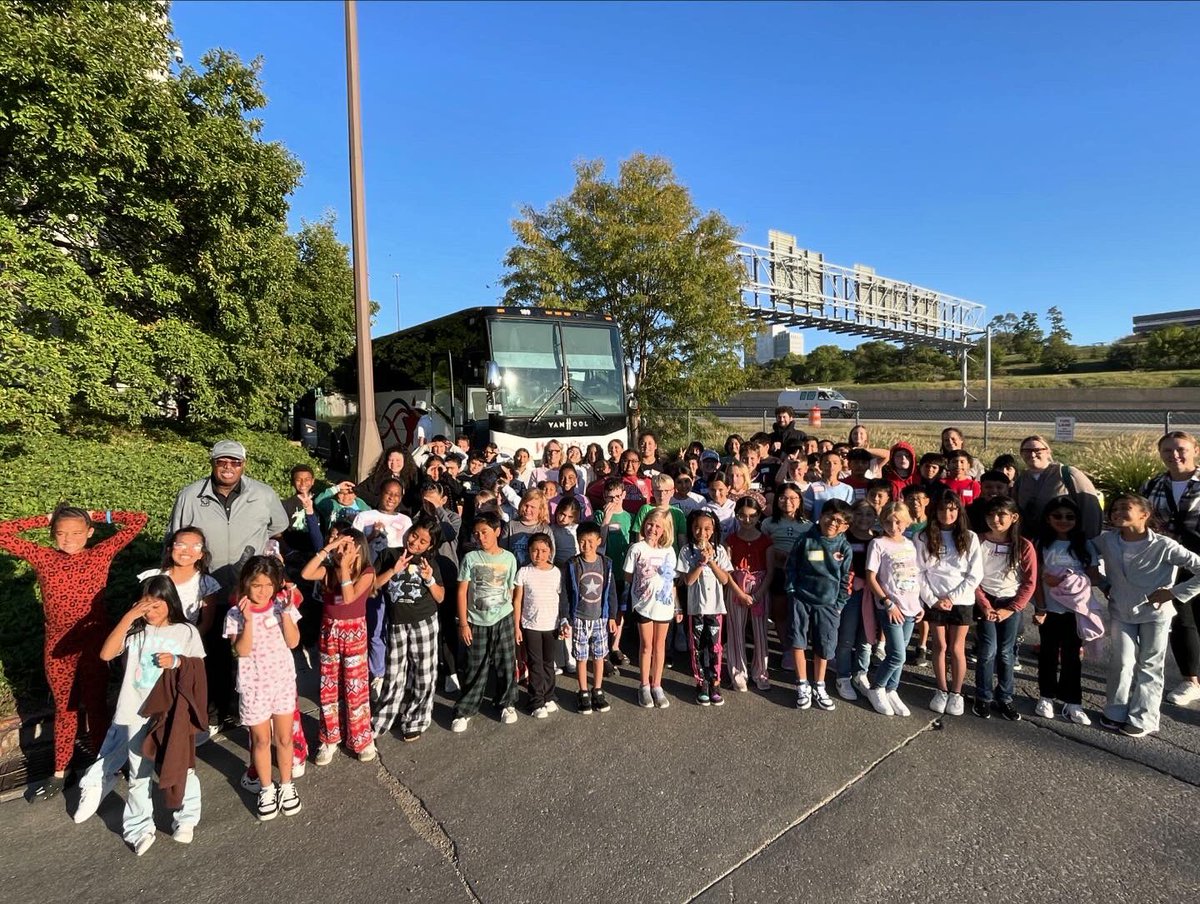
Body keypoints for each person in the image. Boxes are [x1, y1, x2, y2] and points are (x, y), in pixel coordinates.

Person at [0, 505, 147, 800]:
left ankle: (105, 762)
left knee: (96, 706)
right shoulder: (43, 557)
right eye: (61, 533)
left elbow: (137, 521)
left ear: (90, 533)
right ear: (52, 533)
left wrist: (98, 514)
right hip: (58, 648)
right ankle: (60, 771)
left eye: (77, 533)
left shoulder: (99, 555)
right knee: (64, 708)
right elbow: (3, 533)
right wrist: (44, 519)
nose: (68, 539)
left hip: (95, 644)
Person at [167, 442, 288, 731]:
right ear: (213, 463)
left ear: (243, 465)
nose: (228, 467)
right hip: (208, 589)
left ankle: (243, 707)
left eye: (235, 462)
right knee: (213, 653)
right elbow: (176, 537)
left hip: (250, 591)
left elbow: (278, 526)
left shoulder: (263, 494)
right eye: (223, 462)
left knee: (251, 653)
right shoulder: (190, 496)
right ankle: (212, 711)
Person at [83, 576, 205, 853]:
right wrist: (129, 617)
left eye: (158, 604)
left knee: (181, 765)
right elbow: (105, 654)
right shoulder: (135, 633)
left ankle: (186, 818)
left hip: (173, 710)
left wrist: (176, 662)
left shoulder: (185, 631)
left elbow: (197, 669)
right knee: (139, 772)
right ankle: (139, 828)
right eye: (146, 605)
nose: (152, 611)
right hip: (136, 710)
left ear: (170, 602)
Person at [1095, 494, 1200, 737]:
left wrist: (1173, 593)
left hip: (1155, 615)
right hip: (1121, 611)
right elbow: (1082, 556)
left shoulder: (1164, 545)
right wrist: (1102, 583)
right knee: (1122, 662)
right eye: (1115, 509)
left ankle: (1144, 717)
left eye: (1125, 507)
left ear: (1144, 514)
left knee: (1150, 665)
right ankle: (1115, 711)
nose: (1118, 512)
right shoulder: (1105, 540)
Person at [224, 557, 303, 821]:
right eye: (256, 585)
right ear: (246, 584)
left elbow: (293, 643)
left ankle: (287, 785)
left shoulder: (282, 606)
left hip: (281, 681)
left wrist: (287, 614)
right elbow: (241, 650)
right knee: (260, 740)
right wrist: (247, 620)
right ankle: (266, 789)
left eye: (268, 585)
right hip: (254, 685)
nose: (263, 591)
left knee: (283, 739)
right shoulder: (235, 614)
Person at [301, 528, 377, 763]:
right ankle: (329, 737)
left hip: (354, 632)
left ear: (359, 550)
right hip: (329, 631)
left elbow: (348, 597)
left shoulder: (367, 572)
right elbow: (306, 573)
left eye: (347, 547)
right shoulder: (328, 571)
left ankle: (362, 738)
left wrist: (344, 567)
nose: (341, 551)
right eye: (339, 546)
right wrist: (328, 549)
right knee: (328, 686)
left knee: (355, 686)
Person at [1140, 431, 1200, 707]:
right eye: (1167, 451)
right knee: (1181, 621)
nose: (1174, 455)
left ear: (1195, 450)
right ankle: (1191, 679)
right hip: (1169, 563)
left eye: (1180, 449)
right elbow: (1143, 520)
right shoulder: (1153, 485)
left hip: (1198, 559)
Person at [371, 517, 445, 742]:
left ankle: (416, 719)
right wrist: (393, 570)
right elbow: (372, 586)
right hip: (396, 623)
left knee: (424, 672)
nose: (416, 542)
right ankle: (382, 718)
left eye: (423, 541)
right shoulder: (389, 554)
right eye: (414, 535)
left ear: (430, 546)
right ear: (408, 531)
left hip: (424, 622)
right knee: (394, 672)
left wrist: (430, 579)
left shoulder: (430, 562)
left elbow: (441, 597)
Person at [1032, 497, 1100, 725]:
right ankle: (1046, 696)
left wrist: (1065, 578)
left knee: (1072, 657)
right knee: (1048, 654)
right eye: (1057, 516)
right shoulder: (1041, 543)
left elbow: (1092, 576)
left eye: (1069, 517)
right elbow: (1036, 580)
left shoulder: (1085, 544)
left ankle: (1073, 701)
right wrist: (1040, 607)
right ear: (1048, 518)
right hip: (1050, 610)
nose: (1063, 520)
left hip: (1076, 611)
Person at [452, 512, 521, 732]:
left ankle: (506, 703)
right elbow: (462, 591)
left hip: (503, 617)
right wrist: (463, 623)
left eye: (485, 532)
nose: (481, 537)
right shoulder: (470, 558)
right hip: (476, 620)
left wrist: (513, 618)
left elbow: (511, 588)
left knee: (506, 662)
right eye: (477, 533)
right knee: (476, 665)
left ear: (497, 532)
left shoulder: (509, 558)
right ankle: (466, 709)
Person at [916, 491, 983, 717]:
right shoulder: (923, 537)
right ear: (935, 511)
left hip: (961, 600)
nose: (948, 513)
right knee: (940, 646)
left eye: (953, 509)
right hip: (934, 601)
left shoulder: (970, 537)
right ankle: (941, 689)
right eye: (943, 509)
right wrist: (934, 600)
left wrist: (951, 598)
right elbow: (918, 573)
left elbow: (975, 575)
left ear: (959, 511)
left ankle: (956, 693)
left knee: (956, 648)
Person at [971, 498, 1036, 721]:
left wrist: (1012, 608)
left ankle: (1005, 697)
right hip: (985, 601)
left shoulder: (1024, 545)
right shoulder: (978, 541)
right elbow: (973, 577)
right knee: (987, 650)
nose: (995, 520)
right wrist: (985, 605)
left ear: (1013, 517)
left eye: (1001, 515)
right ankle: (983, 696)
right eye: (991, 515)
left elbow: (1029, 582)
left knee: (1006, 654)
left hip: (1010, 603)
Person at [785, 501, 853, 711]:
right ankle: (802, 684)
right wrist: (792, 592)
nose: (832, 522)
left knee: (824, 646)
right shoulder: (805, 539)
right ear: (820, 515)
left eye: (838, 521)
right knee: (798, 641)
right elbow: (791, 567)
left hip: (829, 605)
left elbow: (845, 580)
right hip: (802, 600)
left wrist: (839, 604)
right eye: (829, 517)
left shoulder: (844, 547)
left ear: (845, 527)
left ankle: (819, 685)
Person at [352, 478, 413, 693]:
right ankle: (377, 673)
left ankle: (397, 669)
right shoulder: (365, 517)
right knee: (375, 625)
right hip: (371, 579)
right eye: (388, 493)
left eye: (396, 495)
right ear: (380, 493)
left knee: (395, 625)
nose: (391, 498)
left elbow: (411, 548)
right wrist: (371, 536)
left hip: (397, 579)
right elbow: (354, 550)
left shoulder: (405, 520)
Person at [863, 502, 922, 717]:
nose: (893, 525)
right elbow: (871, 577)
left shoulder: (910, 544)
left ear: (906, 522)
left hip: (911, 607)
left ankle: (891, 689)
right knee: (896, 654)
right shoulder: (878, 543)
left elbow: (916, 575)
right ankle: (877, 687)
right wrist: (887, 602)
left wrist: (920, 604)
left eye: (898, 521)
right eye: (888, 521)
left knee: (902, 652)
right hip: (890, 607)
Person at [560, 522, 619, 714]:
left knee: (599, 655)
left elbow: (611, 592)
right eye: (582, 542)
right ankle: (583, 691)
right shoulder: (572, 565)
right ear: (578, 542)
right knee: (582, 656)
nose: (587, 546)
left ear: (599, 541)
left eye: (591, 542)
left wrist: (612, 616)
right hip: (579, 617)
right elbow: (566, 593)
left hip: (600, 618)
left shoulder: (606, 563)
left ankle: (598, 689)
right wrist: (565, 617)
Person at [677, 509, 734, 706]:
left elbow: (725, 579)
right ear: (692, 529)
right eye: (697, 528)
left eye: (707, 528)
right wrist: (701, 563)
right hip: (696, 608)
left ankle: (715, 681)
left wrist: (711, 561)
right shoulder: (687, 551)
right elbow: (688, 581)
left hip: (716, 607)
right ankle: (701, 682)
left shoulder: (719, 550)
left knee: (715, 646)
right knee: (697, 647)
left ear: (714, 529)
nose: (702, 532)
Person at [624, 509, 680, 709]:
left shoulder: (669, 551)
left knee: (660, 646)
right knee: (646, 646)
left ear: (665, 530)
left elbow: (671, 581)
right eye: (650, 524)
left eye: (658, 526)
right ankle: (644, 685)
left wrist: (677, 606)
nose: (653, 529)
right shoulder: (637, 548)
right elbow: (629, 577)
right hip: (644, 605)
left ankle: (657, 684)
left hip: (664, 606)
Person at [725, 497, 774, 692]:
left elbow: (770, 572)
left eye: (752, 516)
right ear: (737, 516)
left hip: (759, 587)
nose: (747, 520)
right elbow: (727, 571)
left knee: (760, 632)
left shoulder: (765, 541)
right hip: (736, 586)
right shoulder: (730, 540)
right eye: (742, 516)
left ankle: (760, 671)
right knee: (735, 630)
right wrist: (739, 592)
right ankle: (738, 672)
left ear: (758, 516)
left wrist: (759, 594)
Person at [1012, 435, 1103, 538]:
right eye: (1027, 451)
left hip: (1067, 542)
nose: (1032, 455)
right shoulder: (1021, 480)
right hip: (1033, 543)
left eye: (1038, 450)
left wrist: (1089, 540)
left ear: (1047, 452)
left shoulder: (1067, 474)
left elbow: (1090, 510)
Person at [514, 534, 564, 717]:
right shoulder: (524, 572)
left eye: (543, 551)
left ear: (550, 551)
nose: (539, 555)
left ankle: (549, 696)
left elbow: (561, 600)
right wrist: (517, 626)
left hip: (551, 624)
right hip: (531, 625)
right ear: (529, 551)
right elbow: (517, 600)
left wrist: (563, 623)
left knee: (548, 663)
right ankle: (536, 701)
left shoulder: (556, 572)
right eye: (535, 550)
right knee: (535, 663)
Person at [834, 501, 878, 702]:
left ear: (875, 518)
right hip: (849, 593)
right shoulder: (843, 538)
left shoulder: (878, 540)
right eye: (859, 514)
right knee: (846, 637)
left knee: (866, 638)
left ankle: (861, 673)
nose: (864, 518)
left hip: (872, 594)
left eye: (869, 515)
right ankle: (843, 676)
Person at [762, 483, 807, 675]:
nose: (787, 502)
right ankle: (787, 649)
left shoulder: (808, 525)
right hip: (778, 573)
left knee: (797, 615)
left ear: (799, 501)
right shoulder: (768, 523)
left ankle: (799, 647)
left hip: (799, 575)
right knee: (779, 612)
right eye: (783, 497)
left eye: (792, 498)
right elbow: (762, 546)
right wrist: (777, 555)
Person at [503, 488, 555, 566]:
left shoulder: (545, 530)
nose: (528, 509)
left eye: (532, 507)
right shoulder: (511, 526)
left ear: (540, 510)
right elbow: (503, 551)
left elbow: (550, 555)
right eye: (526, 505)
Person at [357, 445, 418, 509]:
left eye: (398, 460)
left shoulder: (413, 479)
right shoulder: (378, 477)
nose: (394, 463)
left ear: (405, 461)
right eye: (391, 460)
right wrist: (379, 502)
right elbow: (359, 490)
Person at [802, 450, 855, 520]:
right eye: (827, 463)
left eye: (835, 463)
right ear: (820, 466)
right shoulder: (814, 487)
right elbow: (806, 512)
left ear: (840, 466)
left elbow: (849, 514)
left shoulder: (847, 489)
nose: (831, 466)